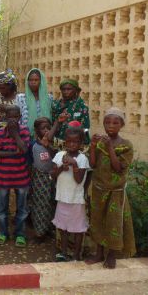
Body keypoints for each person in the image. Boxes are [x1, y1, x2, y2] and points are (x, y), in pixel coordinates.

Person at [86, 107, 136, 269]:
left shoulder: (126, 145)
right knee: (97, 220)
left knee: (114, 222)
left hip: (116, 192)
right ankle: (99, 253)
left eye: (115, 122)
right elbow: (92, 164)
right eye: (107, 122)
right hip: (99, 189)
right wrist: (93, 146)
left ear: (121, 125)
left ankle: (112, 255)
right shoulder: (100, 142)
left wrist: (109, 149)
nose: (111, 125)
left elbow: (118, 168)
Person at [0, 105, 30, 247]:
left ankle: (20, 234)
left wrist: (15, 134)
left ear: (20, 117)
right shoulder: (1, 133)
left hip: (21, 177)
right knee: (2, 208)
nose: (13, 120)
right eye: (10, 117)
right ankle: (3, 232)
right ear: (5, 118)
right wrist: (14, 153)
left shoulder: (24, 131)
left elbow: (25, 149)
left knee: (22, 208)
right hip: (3, 177)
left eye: (15, 117)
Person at [51, 127, 90, 261]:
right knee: (63, 227)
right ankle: (63, 252)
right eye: (69, 141)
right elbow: (53, 176)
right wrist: (62, 167)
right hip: (62, 197)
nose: (72, 144)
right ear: (65, 142)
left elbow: (79, 180)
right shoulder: (59, 155)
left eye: (76, 142)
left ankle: (76, 255)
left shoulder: (83, 159)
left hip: (76, 199)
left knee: (78, 229)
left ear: (81, 144)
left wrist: (74, 166)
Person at [29, 117, 57, 243]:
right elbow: (30, 163)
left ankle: (49, 229)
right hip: (39, 179)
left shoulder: (55, 144)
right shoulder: (33, 145)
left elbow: (57, 158)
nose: (46, 131)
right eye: (42, 128)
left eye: (48, 128)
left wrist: (49, 146)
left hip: (54, 178)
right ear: (36, 130)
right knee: (40, 205)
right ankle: (39, 233)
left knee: (52, 204)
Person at [52, 79, 90, 145]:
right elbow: (51, 123)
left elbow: (85, 127)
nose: (66, 91)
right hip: (56, 142)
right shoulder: (55, 105)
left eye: (69, 89)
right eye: (63, 89)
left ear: (75, 90)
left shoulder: (81, 106)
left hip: (74, 143)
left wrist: (86, 142)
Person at [16, 68, 52, 137]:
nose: (33, 82)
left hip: (45, 136)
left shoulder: (49, 98)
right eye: (30, 80)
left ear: (41, 81)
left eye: (36, 80)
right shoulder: (21, 98)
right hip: (25, 136)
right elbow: (19, 119)